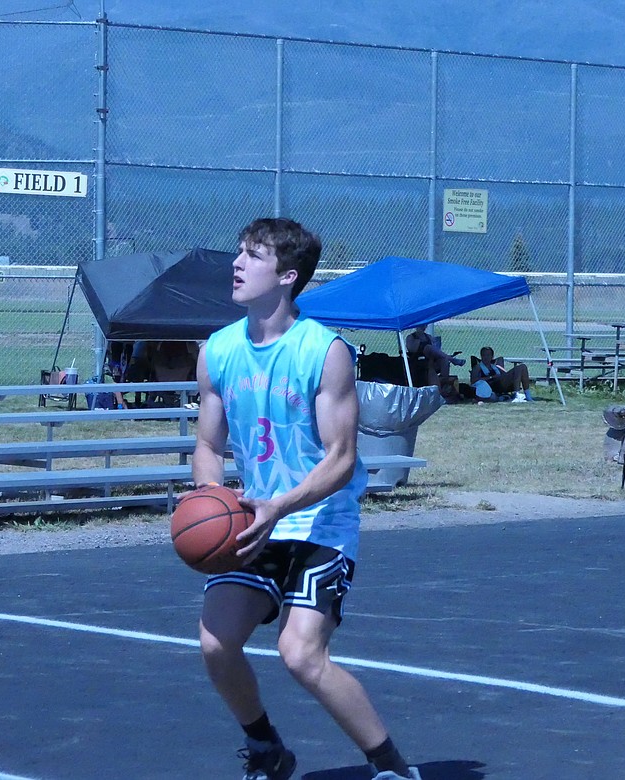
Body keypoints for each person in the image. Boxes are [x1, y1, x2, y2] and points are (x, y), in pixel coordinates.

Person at [192, 217, 420, 780]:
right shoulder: (218, 351)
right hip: (253, 519)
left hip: (319, 521)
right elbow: (206, 442)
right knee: (216, 643)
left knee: (301, 655)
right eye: (239, 252)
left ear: (288, 276)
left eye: (253, 256)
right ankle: (268, 749)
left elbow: (341, 459)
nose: (237, 264)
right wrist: (209, 496)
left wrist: (278, 506)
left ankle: (391, 766)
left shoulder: (326, 351)